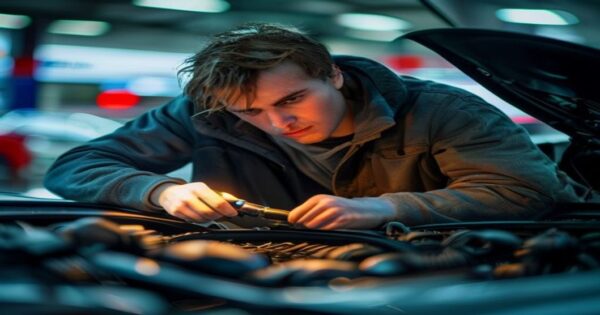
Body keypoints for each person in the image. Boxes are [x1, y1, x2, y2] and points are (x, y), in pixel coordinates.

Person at [44, 23, 580, 230]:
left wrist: (383, 207)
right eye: (249, 113)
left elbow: (524, 189)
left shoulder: (443, 112)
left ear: (334, 74)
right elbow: (73, 167)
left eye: (294, 98)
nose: (278, 123)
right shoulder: (204, 112)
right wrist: (158, 191)